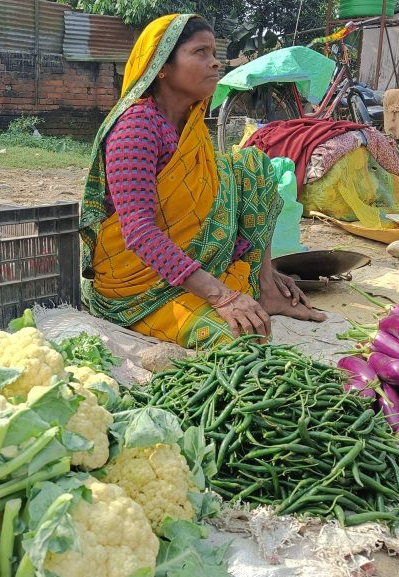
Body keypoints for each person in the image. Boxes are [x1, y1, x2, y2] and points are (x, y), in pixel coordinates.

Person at [80, 14, 325, 350]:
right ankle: (227, 291)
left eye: (214, 54)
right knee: (239, 336)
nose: (215, 64)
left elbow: (207, 199)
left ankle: (266, 287)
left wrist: (260, 274)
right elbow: (138, 232)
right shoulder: (136, 128)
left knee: (252, 165)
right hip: (139, 284)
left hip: (182, 265)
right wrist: (223, 296)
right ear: (161, 67)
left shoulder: (189, 124)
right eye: (200, 52)